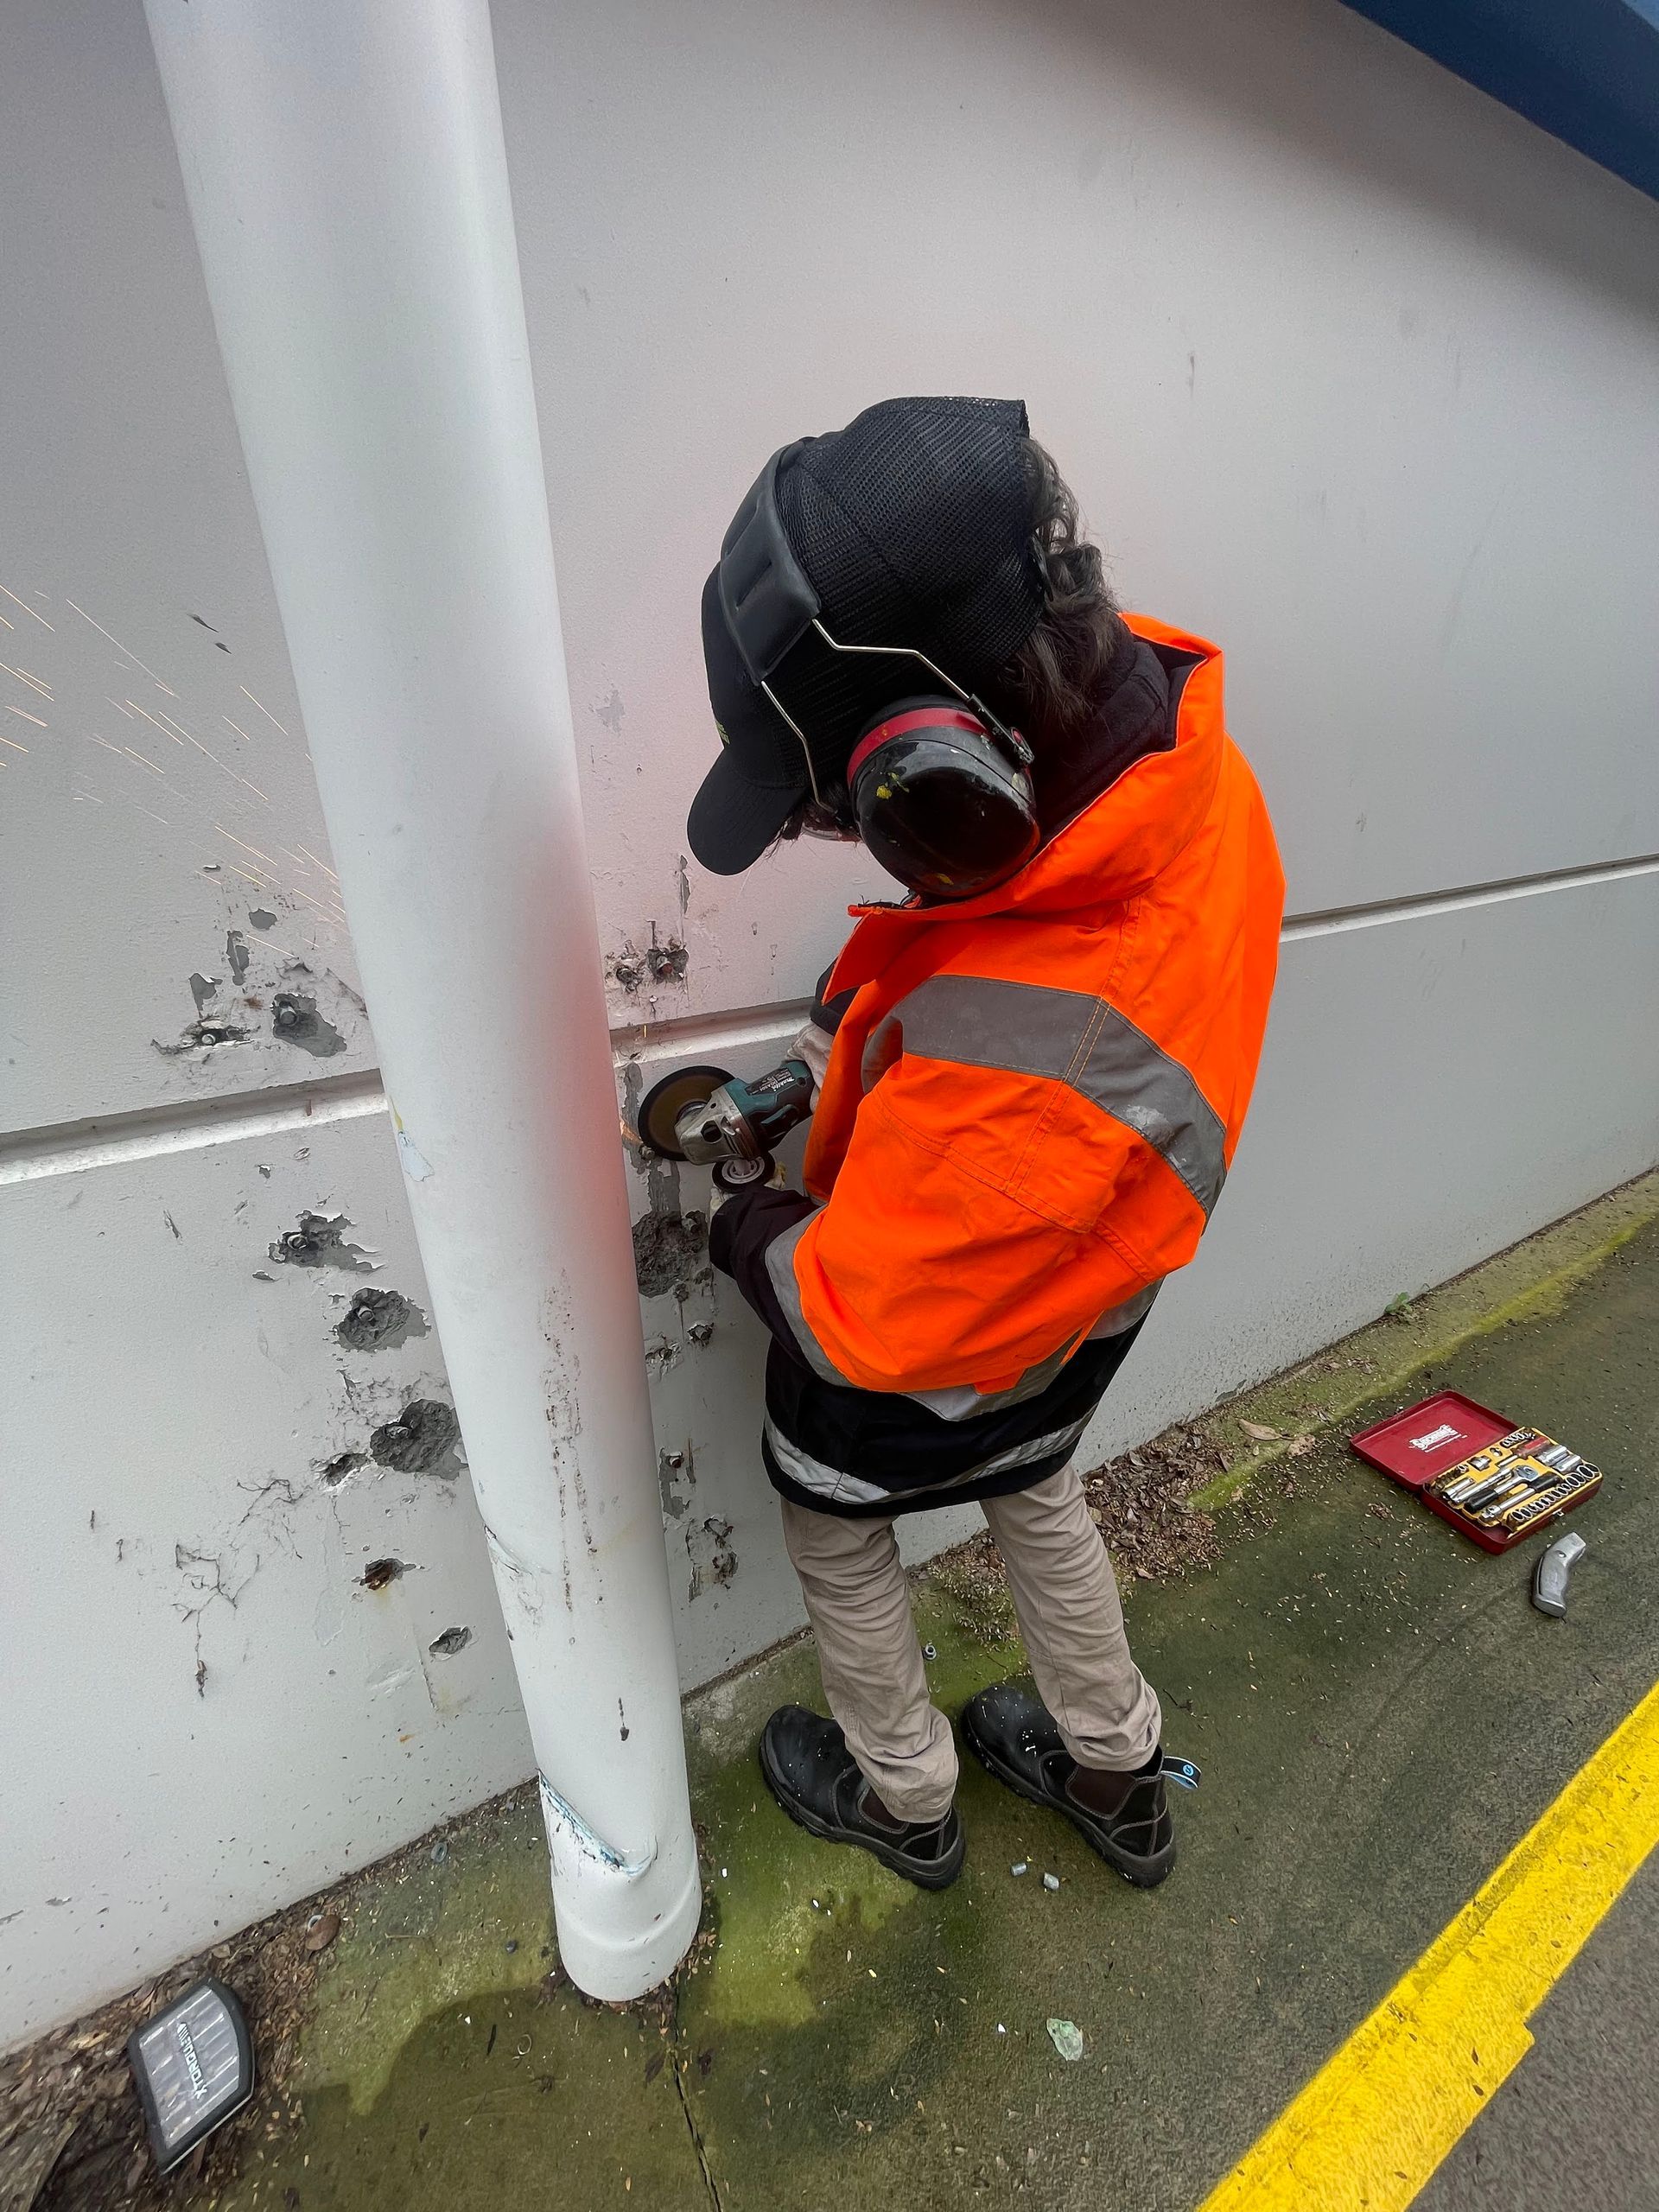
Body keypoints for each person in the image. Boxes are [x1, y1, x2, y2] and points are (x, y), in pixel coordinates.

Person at [689, 397, 1284, 1891]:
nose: (850, 839)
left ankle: (907, 1801)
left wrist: (743, 1227)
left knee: (836, 1525)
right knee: (1037, 1490)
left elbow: (855, 1315)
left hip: (945, 1319)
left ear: (949, 771)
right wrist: (833, 1045)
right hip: (1089, 1294)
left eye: (845, 808)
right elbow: (982, 970)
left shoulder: (1045, 1046)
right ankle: (1118, 1768)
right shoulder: (1168, 772)